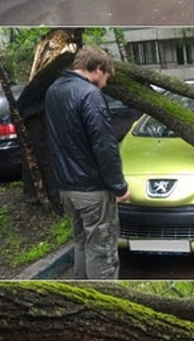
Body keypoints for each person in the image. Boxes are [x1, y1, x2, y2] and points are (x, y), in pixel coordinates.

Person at [45, 45, 130, 279]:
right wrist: (119, 186)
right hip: (92, 189)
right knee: (102, 251)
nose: (105, 83)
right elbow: (104, 145)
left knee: (82, 243)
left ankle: (83, 292)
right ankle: (103, 300)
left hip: (67, 187)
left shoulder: (54, 90)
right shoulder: (90, 95)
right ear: (98, 69)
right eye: (106, 77)